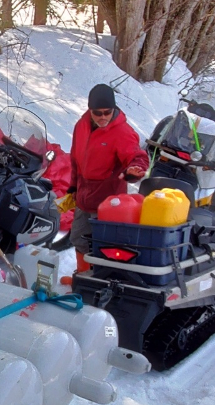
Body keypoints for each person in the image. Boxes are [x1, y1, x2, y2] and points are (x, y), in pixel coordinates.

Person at [59, 84, 149, 286]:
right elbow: (75, 159)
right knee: (79, 238)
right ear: (90, 110)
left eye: (107, 112)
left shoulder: (122, 131)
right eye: (97, 113)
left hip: (109, 202)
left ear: (114, 109)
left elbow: (137, 157)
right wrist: (73, 187)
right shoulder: (81, 126)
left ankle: (102, 283)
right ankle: (83, 278)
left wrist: (134, 170)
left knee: (104, 246)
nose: (102, 117)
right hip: (84, 195)